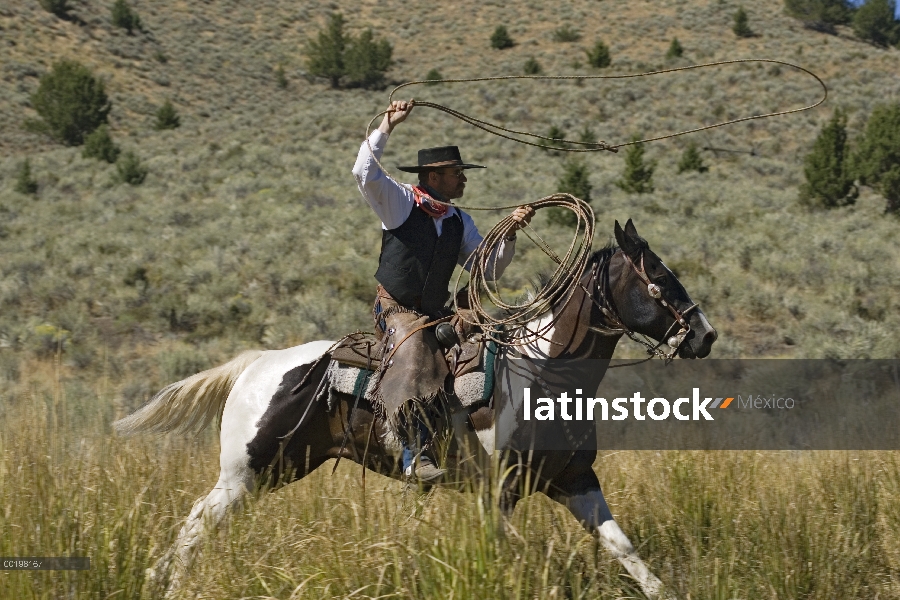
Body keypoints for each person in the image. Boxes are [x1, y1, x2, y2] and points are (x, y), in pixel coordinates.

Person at [352, 99, 534, 483]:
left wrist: (510, 232)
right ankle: (414, 457)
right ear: (433, 176)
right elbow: (363, 171)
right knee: (416, 353)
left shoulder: (458, 220)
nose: (463, 179)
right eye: (457, 173)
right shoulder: (400, 201)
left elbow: (486, 269)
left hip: (434, 311)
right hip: (396, 309)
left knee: (487, 343)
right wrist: (388, 124)